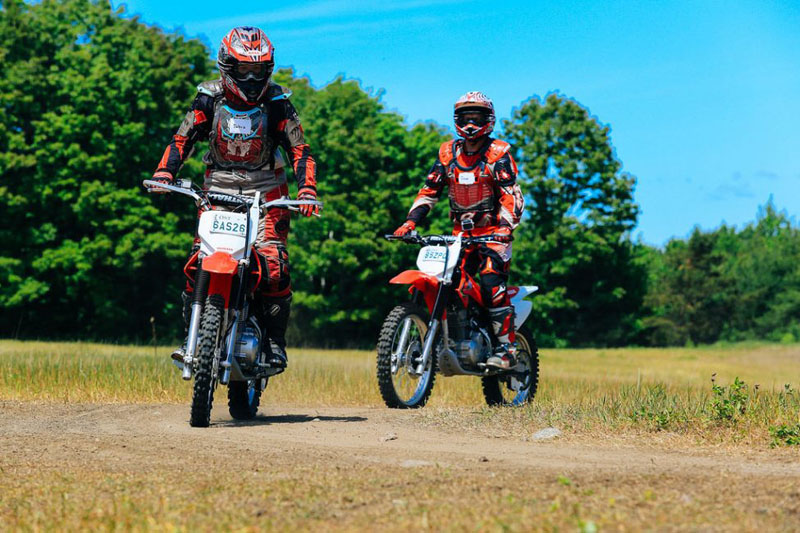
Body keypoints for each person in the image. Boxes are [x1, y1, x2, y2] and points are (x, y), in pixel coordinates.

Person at [150, 26, 319, 369]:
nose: (252, 77)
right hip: (217, 190)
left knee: (274, 266)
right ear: (227, 66)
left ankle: (274, 342)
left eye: (259, 69)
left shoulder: (278, 103)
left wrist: (307, 189)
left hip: (267, 190)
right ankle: (193, 334)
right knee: (198, 262)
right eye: (244, 69)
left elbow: (300, 151)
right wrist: (165, 172)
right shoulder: (207, 99)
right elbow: (182, 140)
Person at [393, 91, 524, 369]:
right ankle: (452, 336)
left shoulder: (498, 154)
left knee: (490, 280)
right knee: (445, 281)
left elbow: (511, 196)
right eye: (466, 118)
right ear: (457, 120)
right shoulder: (447, 153)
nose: (471, 125)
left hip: (493, 234)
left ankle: (506, 349)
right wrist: (410, 223)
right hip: (460, 237)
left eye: (476, 118)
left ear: (488, 120)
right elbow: (429, 191)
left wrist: (504, 227)